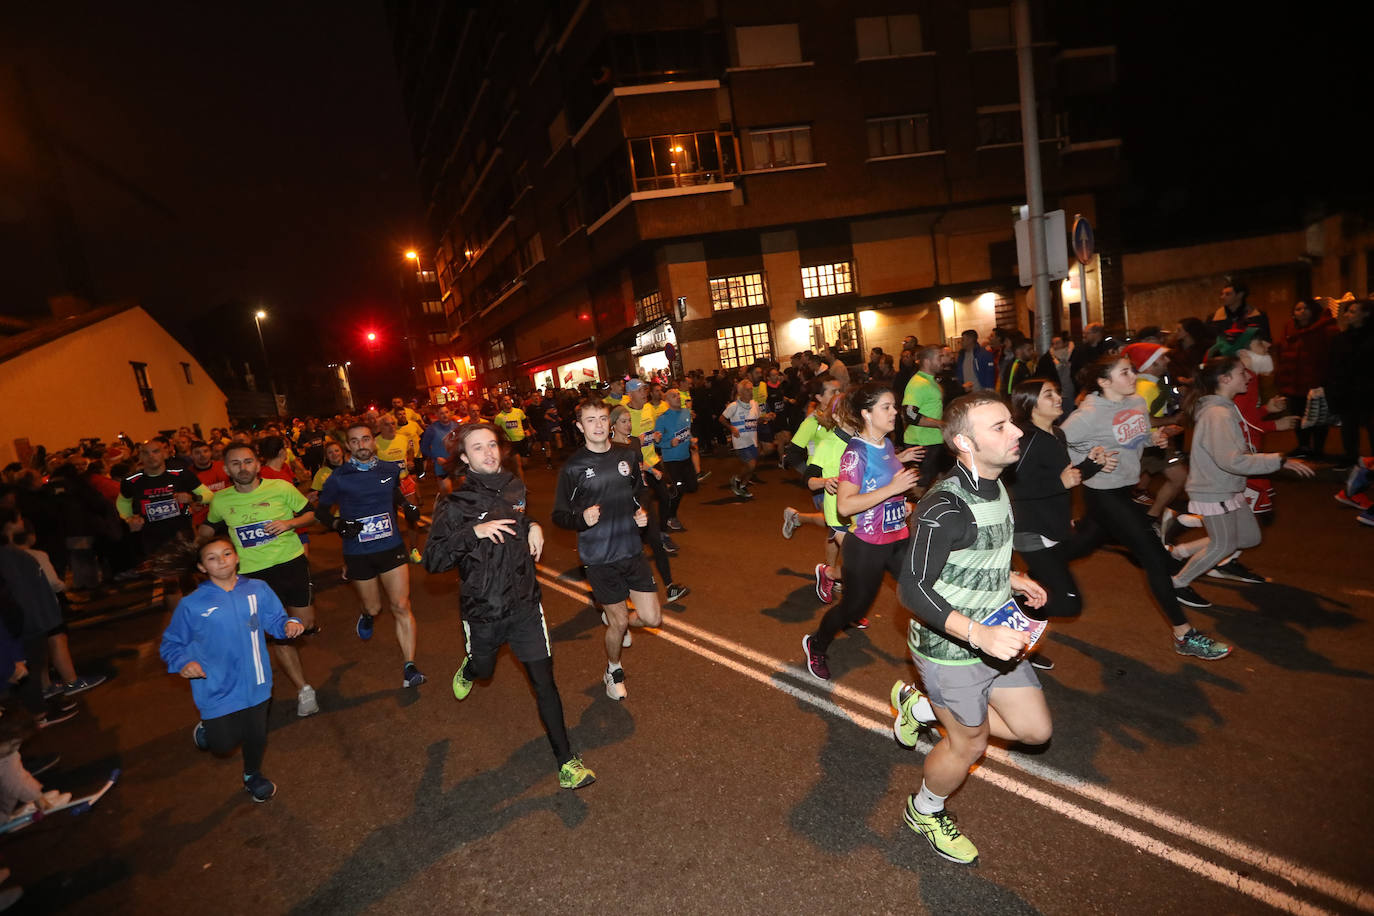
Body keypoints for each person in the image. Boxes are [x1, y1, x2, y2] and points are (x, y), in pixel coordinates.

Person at [890, 391, 1051, 866]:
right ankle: (925, 808)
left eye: (1011, 423)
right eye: (999, 427)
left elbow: (976, 557)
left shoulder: (996, 483)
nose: (1017, 431)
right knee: (970, 743)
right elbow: (912, 589)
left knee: (1035, 731)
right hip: (950, 651)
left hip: (996, 635)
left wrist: (1011, 577)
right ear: (964, 442)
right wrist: (977, 634)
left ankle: (921, 706)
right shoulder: (944, 507)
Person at [423, 423, 595, 790]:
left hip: (525, 604)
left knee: (545, 684)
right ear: (465, 458)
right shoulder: (455, 503)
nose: (488, 453)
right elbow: (433, 559)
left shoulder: (514, 485)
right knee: (484, 670)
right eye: (477, 448)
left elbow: (519, 515)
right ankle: (470, 668)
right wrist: (473, 534)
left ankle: (567, 761)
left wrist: (533, 525)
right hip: (483, 609)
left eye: (492, 445)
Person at [1061, 355, 1231, 659]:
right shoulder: (1088, 414)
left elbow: (1138, 432)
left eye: (1132, 370)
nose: (1133, 375)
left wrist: (1153, 437)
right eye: (1124, 372)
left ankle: (1035, 571)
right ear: (1104, 382)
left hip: (1124, 491)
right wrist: (1085, 463)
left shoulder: (1137, 401)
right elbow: (1054, 444)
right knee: (1153, 556)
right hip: (1102, 495)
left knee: (1081, 546)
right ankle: (1184, 635)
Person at [159, 536, 305, 803]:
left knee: (256, 736)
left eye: (226, 554)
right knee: (223, 746)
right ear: (202, 567)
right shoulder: (192, 604)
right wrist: (183, 663)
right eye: (212, 558)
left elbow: (276, 619)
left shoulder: (257, 589)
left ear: (237, 557)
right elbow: (171, 644)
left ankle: (252, 775)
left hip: (257, 682)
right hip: (215, 686)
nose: (221, 561)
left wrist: (290, 624)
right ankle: (207, 730)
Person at [802, 384, 922, 680]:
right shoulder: (855, 453)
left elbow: (880, 486)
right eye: (887, 407)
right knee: (853, 609)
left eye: (893, 406)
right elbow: (845, 505)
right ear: (866, 414)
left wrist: (901, 502)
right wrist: (893, 489)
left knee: (921, 589)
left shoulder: (887, 444)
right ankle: (816, 643)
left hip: (898, 538)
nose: (895, 412)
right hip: (867, 545)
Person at [1170, 357, 1314, 601]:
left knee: (1249, 537)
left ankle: (1178, 552)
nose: (1248, 376)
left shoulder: (1224, 407)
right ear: (1224, 379)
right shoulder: (1218, 414)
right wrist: (1280, 460)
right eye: (1242, 372)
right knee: (1223, 545)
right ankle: (1176, 585)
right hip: (1213, 490)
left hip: (1228, 487)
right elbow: (1232, 460)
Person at [552, 401, 662, 700]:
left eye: (602, 419)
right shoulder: (573, 467)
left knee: (652, 619)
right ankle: (613, 670)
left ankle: (619, 622)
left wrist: (641, 513)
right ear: (579, 427)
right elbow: (559, 515)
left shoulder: (626, 454)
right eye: (591, 420)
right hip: (599, 558)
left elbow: (639, 489)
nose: (598, 425)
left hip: (631, 549)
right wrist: (581, 519)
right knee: (619, 621)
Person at [201, 444, 320, 717]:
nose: (242, 468)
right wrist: (197, 546)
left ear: (257, 464)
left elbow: (312, 514)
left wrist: (289, 524)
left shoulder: (280, 488)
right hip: (253, 577)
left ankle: (306, 628)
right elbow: (209, 527)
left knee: (306, 623)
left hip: (291, 565)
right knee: (280, 633)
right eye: (235, 463)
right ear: (226, 468)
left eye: (247, 462)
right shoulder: (221, 500)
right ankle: (304, 689)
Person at [1006, 379, 1117, 670]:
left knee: (1096, 532)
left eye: (1056, 392)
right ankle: (1010, 611)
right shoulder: (1027, 440)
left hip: (1054, 527)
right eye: (1049, 395)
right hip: (1033, 532)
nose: (1059, 397)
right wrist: (1059, 483)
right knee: (1067, 603)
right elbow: (1013, 487)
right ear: (1030, 405)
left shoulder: (1056, 434)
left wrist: (1092, 465)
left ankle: (1019, 633)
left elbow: (1063, 478)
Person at [317, 424, 426, 688]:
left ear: (373, 442)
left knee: (401, 605)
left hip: (391, 547)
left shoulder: (389, 470)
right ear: (348, 447)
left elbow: (394, 493)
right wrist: (337, 525)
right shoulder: (339, 478)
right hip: (358, 552)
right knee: (374, 608)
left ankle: (409, 667)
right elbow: (320, 512)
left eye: (365, 439)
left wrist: (407, 506)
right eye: (354, 441)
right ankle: (366, 614)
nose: (361, 445)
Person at [1275, 298, 1336, 460]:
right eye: (1298, 309)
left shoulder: (1325, 329)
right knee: (1298, 415)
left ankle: (1318, 449)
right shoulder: (1289, 328)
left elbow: (1331, 355)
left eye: (1305, 308)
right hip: (1293, 381)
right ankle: (1303, 445)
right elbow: (1283, 354)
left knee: (1318, 416)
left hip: (1316, 381)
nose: (1301, 312)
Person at [901, 346, 947, 489]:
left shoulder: (931, 381)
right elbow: (909, 413)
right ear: (927, 361)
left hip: (933, 441)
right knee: (921, 488)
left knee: (937, 484)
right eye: (939, 357)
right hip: (921, 443)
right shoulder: (918, 383)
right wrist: (940, 423)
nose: (943, 360)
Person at [654, 388, 697, 532]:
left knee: (692, 487)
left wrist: (691, 441)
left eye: (678, 394)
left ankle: (669, 492)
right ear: (667, 401)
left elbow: (687, 431)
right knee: (678, 489)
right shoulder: (663, 419)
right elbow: (656, 442)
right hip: (672, 461)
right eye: (673, 396)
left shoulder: (686, 412)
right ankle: (670, 517)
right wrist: (668, 444)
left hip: (686, 457)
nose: (678, 397)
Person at [721, 380, 761, 499]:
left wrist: (765, 418)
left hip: (753, 440)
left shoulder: (755, 404)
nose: (751, 392)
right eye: (748, 390)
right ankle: (738, 480)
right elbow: (722, 419)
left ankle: (741, 484)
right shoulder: (733, 406)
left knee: (751, 466)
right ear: (741, 392)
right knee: (751, 464)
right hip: (740, 441)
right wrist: (731, 428)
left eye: (751, 389)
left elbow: (757, 419)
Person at [1208, 275, 1271, 342]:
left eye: (1228, 294)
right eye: (1222, 294)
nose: (1222, 297)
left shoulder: (1259, 317)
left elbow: (1266, 341)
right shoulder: (1213, 319)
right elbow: (1209, 343)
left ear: (1240, 295)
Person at [419, 404, 461, 493]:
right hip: (442, 465)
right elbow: (423, 447)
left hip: (456, 463)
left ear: (450, 413)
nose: (445, 415)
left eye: (446, 412)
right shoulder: (432, 429)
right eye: (441, 413)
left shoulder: (456, 426)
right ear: (437, 415)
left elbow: (461, 442)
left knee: (467, 489)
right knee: (447, 493)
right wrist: (435, 458)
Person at [494, 395, 532, 481]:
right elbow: (496, 430)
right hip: (510, 443)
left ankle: (513, 476)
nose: (507, 402)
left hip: (522, 440)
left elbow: (525, 421)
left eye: (509, 400)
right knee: (518, 464)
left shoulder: (519, 412)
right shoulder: (499, 417)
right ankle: (522, 487)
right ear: (501, 403)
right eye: (505, 400)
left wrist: (526, 430)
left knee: (524, 464)